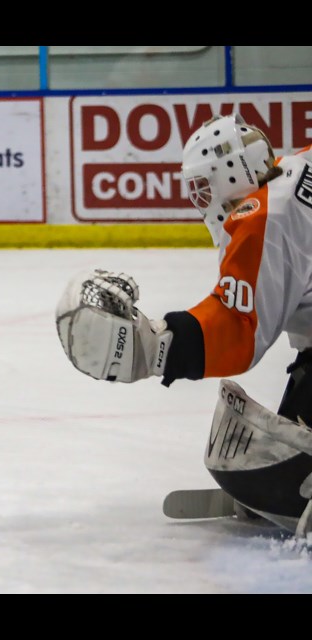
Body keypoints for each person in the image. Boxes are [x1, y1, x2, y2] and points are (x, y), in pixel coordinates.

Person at [55, 112, 312, 536]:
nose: (201, 198)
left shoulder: (263, 217)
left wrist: (158, 348)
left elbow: (237, 330)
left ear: (233, 171)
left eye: (204, 185)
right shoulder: (295, 168)